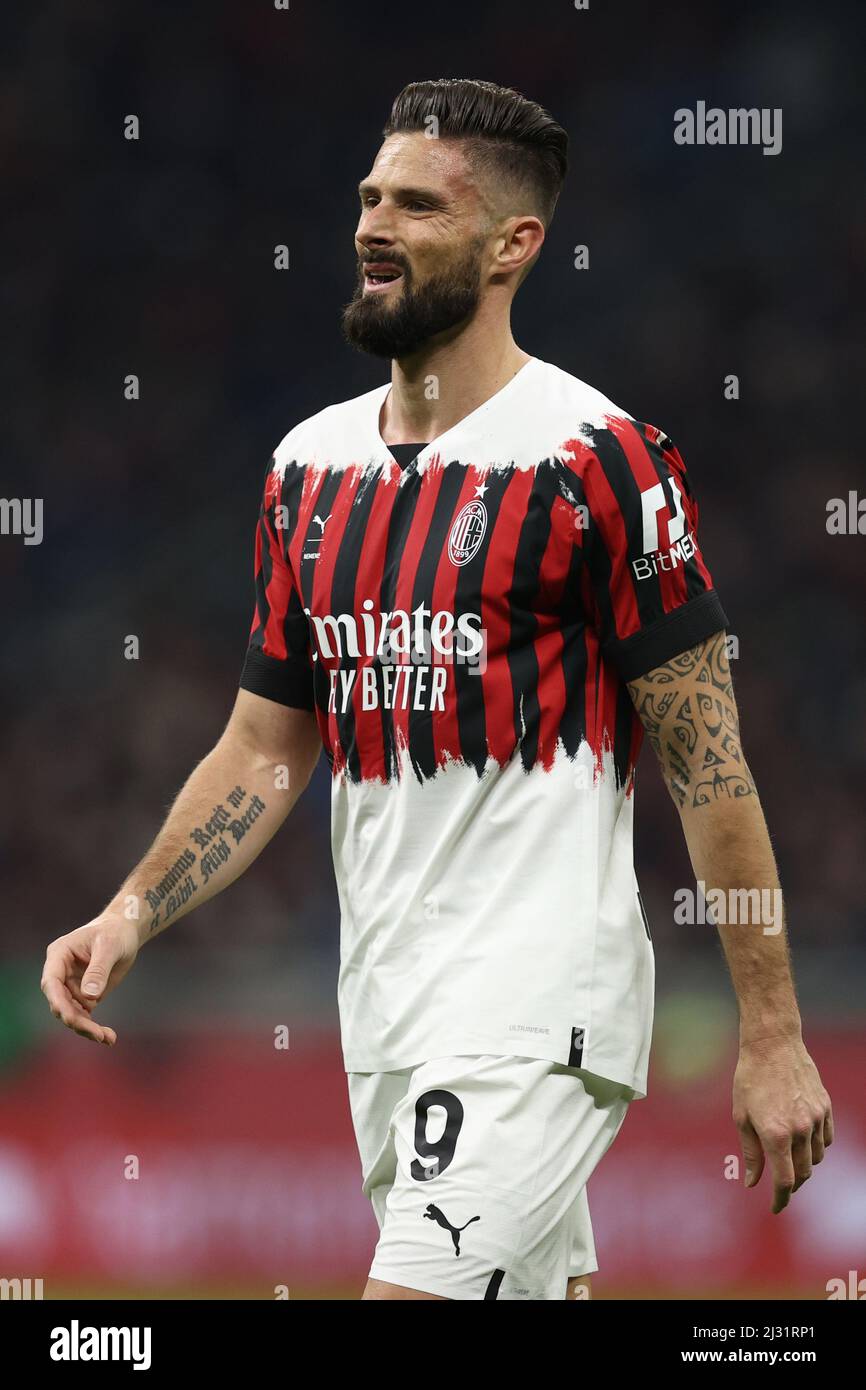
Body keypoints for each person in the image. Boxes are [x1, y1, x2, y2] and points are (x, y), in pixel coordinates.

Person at [42, 78, 833, 1301]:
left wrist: (772, 1031)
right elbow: (263, 746)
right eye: (368, 196)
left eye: (416, 204)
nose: (372, 224)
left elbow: (706, 761)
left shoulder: (595, 461)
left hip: (535, 1005)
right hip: (387, 1007)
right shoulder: (305, 468)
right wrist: (134, 910)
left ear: (513, 243)